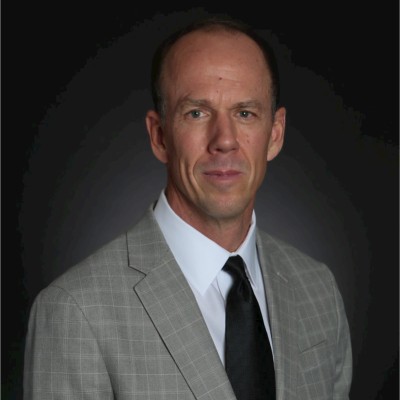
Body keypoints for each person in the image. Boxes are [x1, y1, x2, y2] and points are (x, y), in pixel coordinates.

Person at [23, 16, 352, 400]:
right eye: (197, 113)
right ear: (160, 136)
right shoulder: (75, 312)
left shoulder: (318, 290)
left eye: (245, 113)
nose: (224, 140)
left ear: (275, 134)